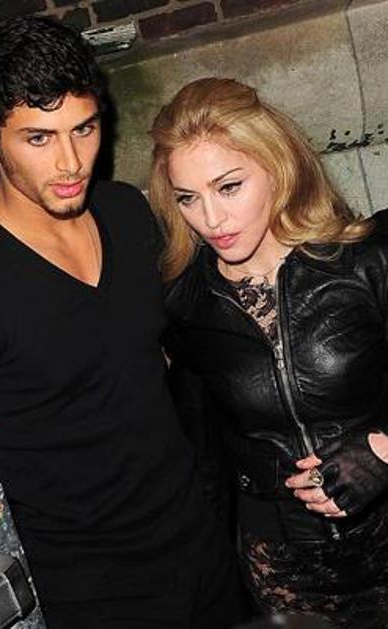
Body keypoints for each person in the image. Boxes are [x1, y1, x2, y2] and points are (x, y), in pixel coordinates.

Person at [0, 20, 244, 629]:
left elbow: (153, 363)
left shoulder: (126, 211)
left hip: (201, 548)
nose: (71, 161)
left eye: (84, 128)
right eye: (38, 137)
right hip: (92, 593)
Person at [149, 76, 388, 628]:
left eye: (229, 187)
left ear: (278, 167)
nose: (211, 219)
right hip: (287, 568)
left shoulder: (366, 260)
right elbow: (204, 455)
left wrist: (382, 448)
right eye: (188, 198)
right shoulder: (186, 303)